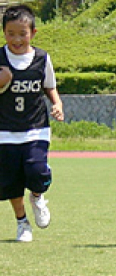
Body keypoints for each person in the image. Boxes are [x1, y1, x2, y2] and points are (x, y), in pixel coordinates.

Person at [0, 5, 64, 242]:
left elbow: (50, 86)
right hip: (4, 132)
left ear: (33, 33)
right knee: (10, 182)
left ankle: (37, 196)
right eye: (11, 33)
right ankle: (21, 223)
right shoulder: (0, 59)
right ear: (4, 33)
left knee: (37, 171)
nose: (17, 39)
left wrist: (57, 104)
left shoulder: (42, 58)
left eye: (22, 33)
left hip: (36, 128)